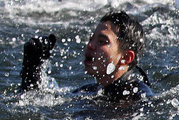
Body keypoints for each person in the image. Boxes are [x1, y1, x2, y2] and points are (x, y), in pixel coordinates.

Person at [21, 11, 155, 102]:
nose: (90, 45)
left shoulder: (140, 98)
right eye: (91, 39)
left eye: (102, 42)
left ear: (126, 57)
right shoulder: (87, 92)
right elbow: (33, 102)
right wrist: (32, 66)